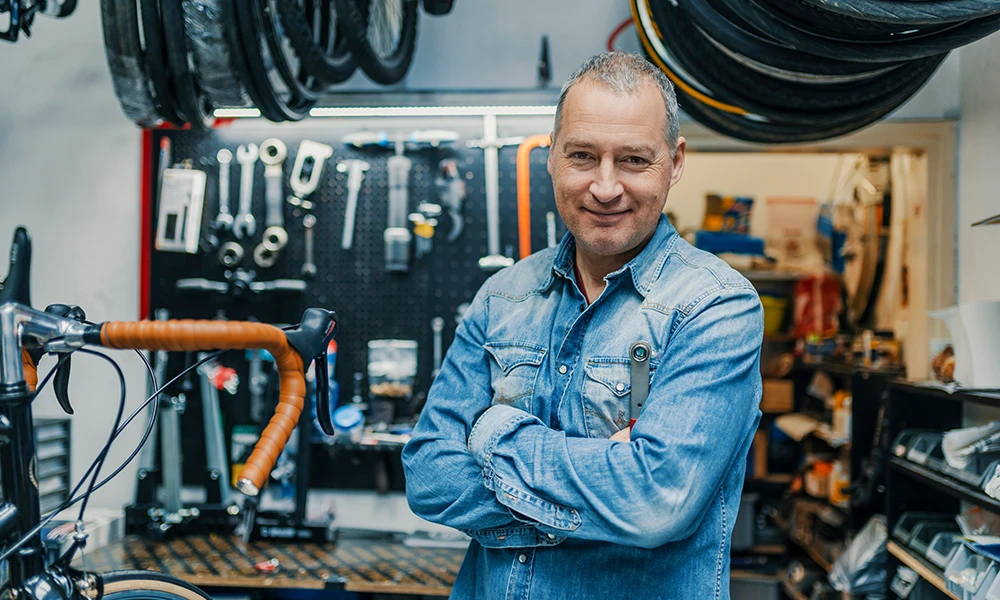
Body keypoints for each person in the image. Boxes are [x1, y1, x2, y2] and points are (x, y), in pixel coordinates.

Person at [401, 52, 763, 599]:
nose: (606, 186)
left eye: (635, 160)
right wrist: (604, 485)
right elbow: (429, 475)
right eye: (583, 156)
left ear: (676, 161)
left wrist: (494, 434)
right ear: (551, 158)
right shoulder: (503, 296)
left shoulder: (716, 307)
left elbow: (654, 502)